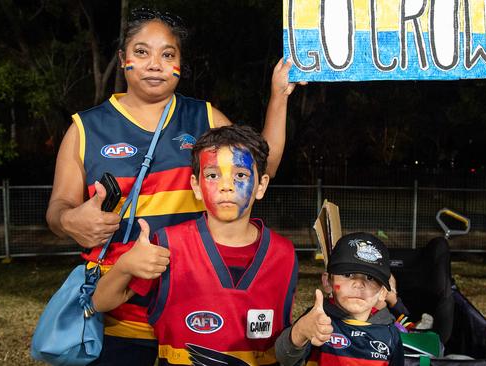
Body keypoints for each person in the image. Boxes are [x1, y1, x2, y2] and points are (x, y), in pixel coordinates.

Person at [45, 8, 298, 365]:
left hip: (194, 310)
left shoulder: (204, 117)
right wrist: (70, 220)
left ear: (180, 62)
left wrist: (279, 96)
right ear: (122, 59)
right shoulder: (86, 129)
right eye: (142, 52)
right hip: (119, 316)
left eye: (168, 54)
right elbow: (57, 209)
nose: (155, 64)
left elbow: (261, 165)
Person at [92, 125, 298, 366]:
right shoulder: (168, 245)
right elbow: (100, 302)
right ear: (196, 186)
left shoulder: (283, 254)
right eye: (213, 175)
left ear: (261, 185)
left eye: (240, 175)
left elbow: (285, 340)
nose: (226, 186)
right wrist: (125, 266)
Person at [275, 232, 405, 366]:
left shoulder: (390, 334)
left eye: (370, 278)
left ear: (383, 292)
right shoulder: (317, 319)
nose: (358, 284)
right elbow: (284, 358)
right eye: (348, 274)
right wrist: (300, 331)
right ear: (328, 282)